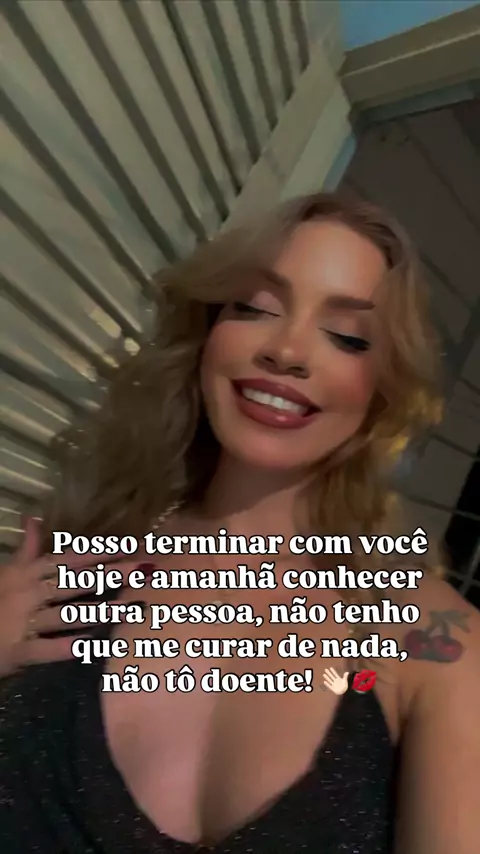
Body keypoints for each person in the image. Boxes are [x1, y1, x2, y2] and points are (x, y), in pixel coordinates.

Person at [0, 192, 479, 854]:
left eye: (347, 336)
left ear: (383, 391)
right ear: (205, 336)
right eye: (254, 307)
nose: (287, 349)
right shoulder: (72, 564)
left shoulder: (438, 644)